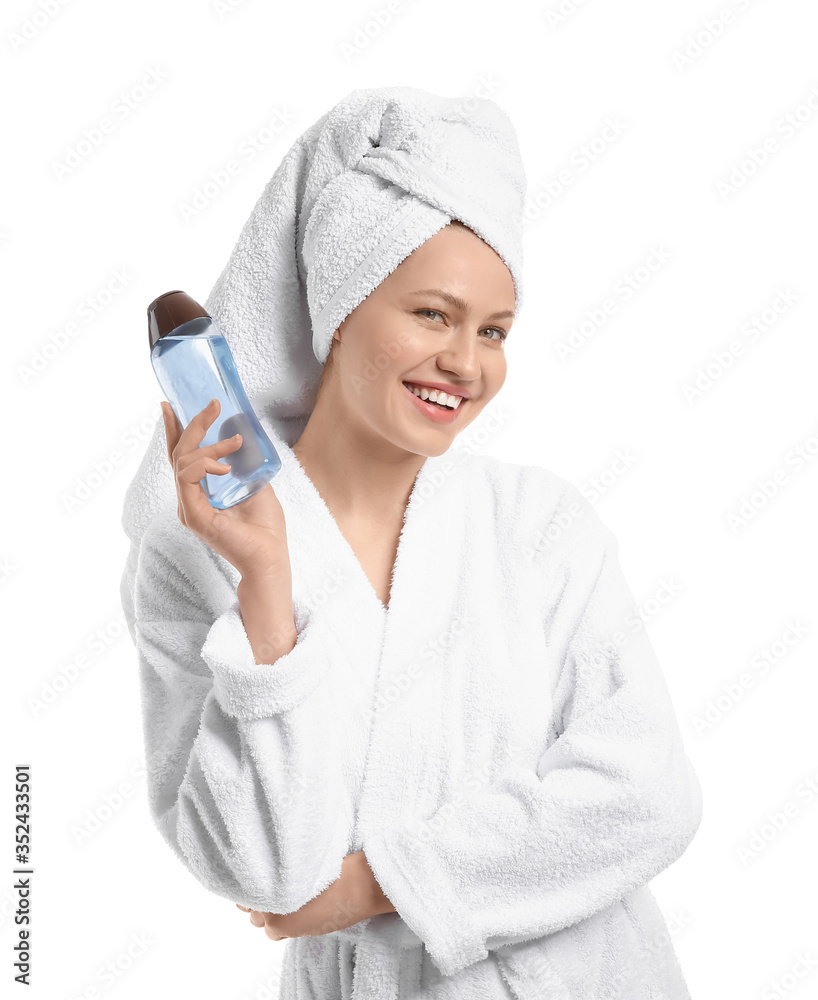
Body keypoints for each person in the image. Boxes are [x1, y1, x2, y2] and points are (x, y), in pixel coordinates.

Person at [121, 87, 702, 999]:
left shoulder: (541, 528)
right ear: (341, 304)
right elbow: (267, 870)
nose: (467, 365)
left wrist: (373, 885)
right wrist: (267, 580)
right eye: (433, 315)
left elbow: (647, 795)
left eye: (494, 331)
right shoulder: (196, 555)